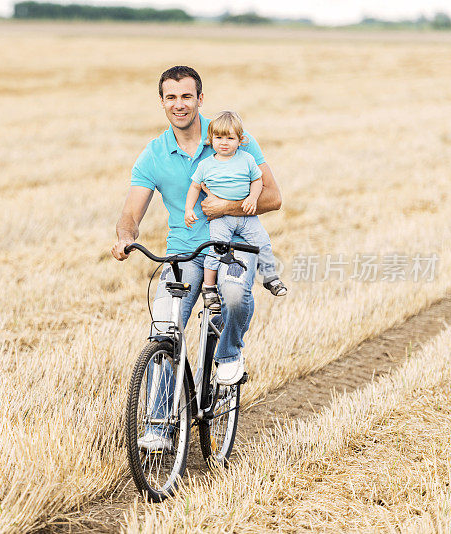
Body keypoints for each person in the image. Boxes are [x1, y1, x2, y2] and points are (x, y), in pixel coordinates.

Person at [111, 66, 282, 450]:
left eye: (186, 96)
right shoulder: (154, 154)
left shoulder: (231, 137)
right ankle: (158, 424)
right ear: (162, 103)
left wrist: (229, 207)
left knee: (236, 298)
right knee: (164, 331)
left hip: (234, 247)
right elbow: (131, 213)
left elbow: (273, 197)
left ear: (199, 99)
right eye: (171, 97)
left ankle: (229, 355)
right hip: (184, 253)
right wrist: (124, 237)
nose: (179, 104)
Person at [184, 110, 287, 314]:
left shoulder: (246, 159)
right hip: (220, 220)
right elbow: (195, 187)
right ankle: (209, 288)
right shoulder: (206, 164)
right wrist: (189, 209)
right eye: (219, 137)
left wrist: (252, 198)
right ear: (210, 139)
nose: (224, 142)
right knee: (215, 250)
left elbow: (257, 181)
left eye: (230, 138)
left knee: (263, 242)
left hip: (246, 217)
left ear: (240, 140)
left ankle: (270, 277)